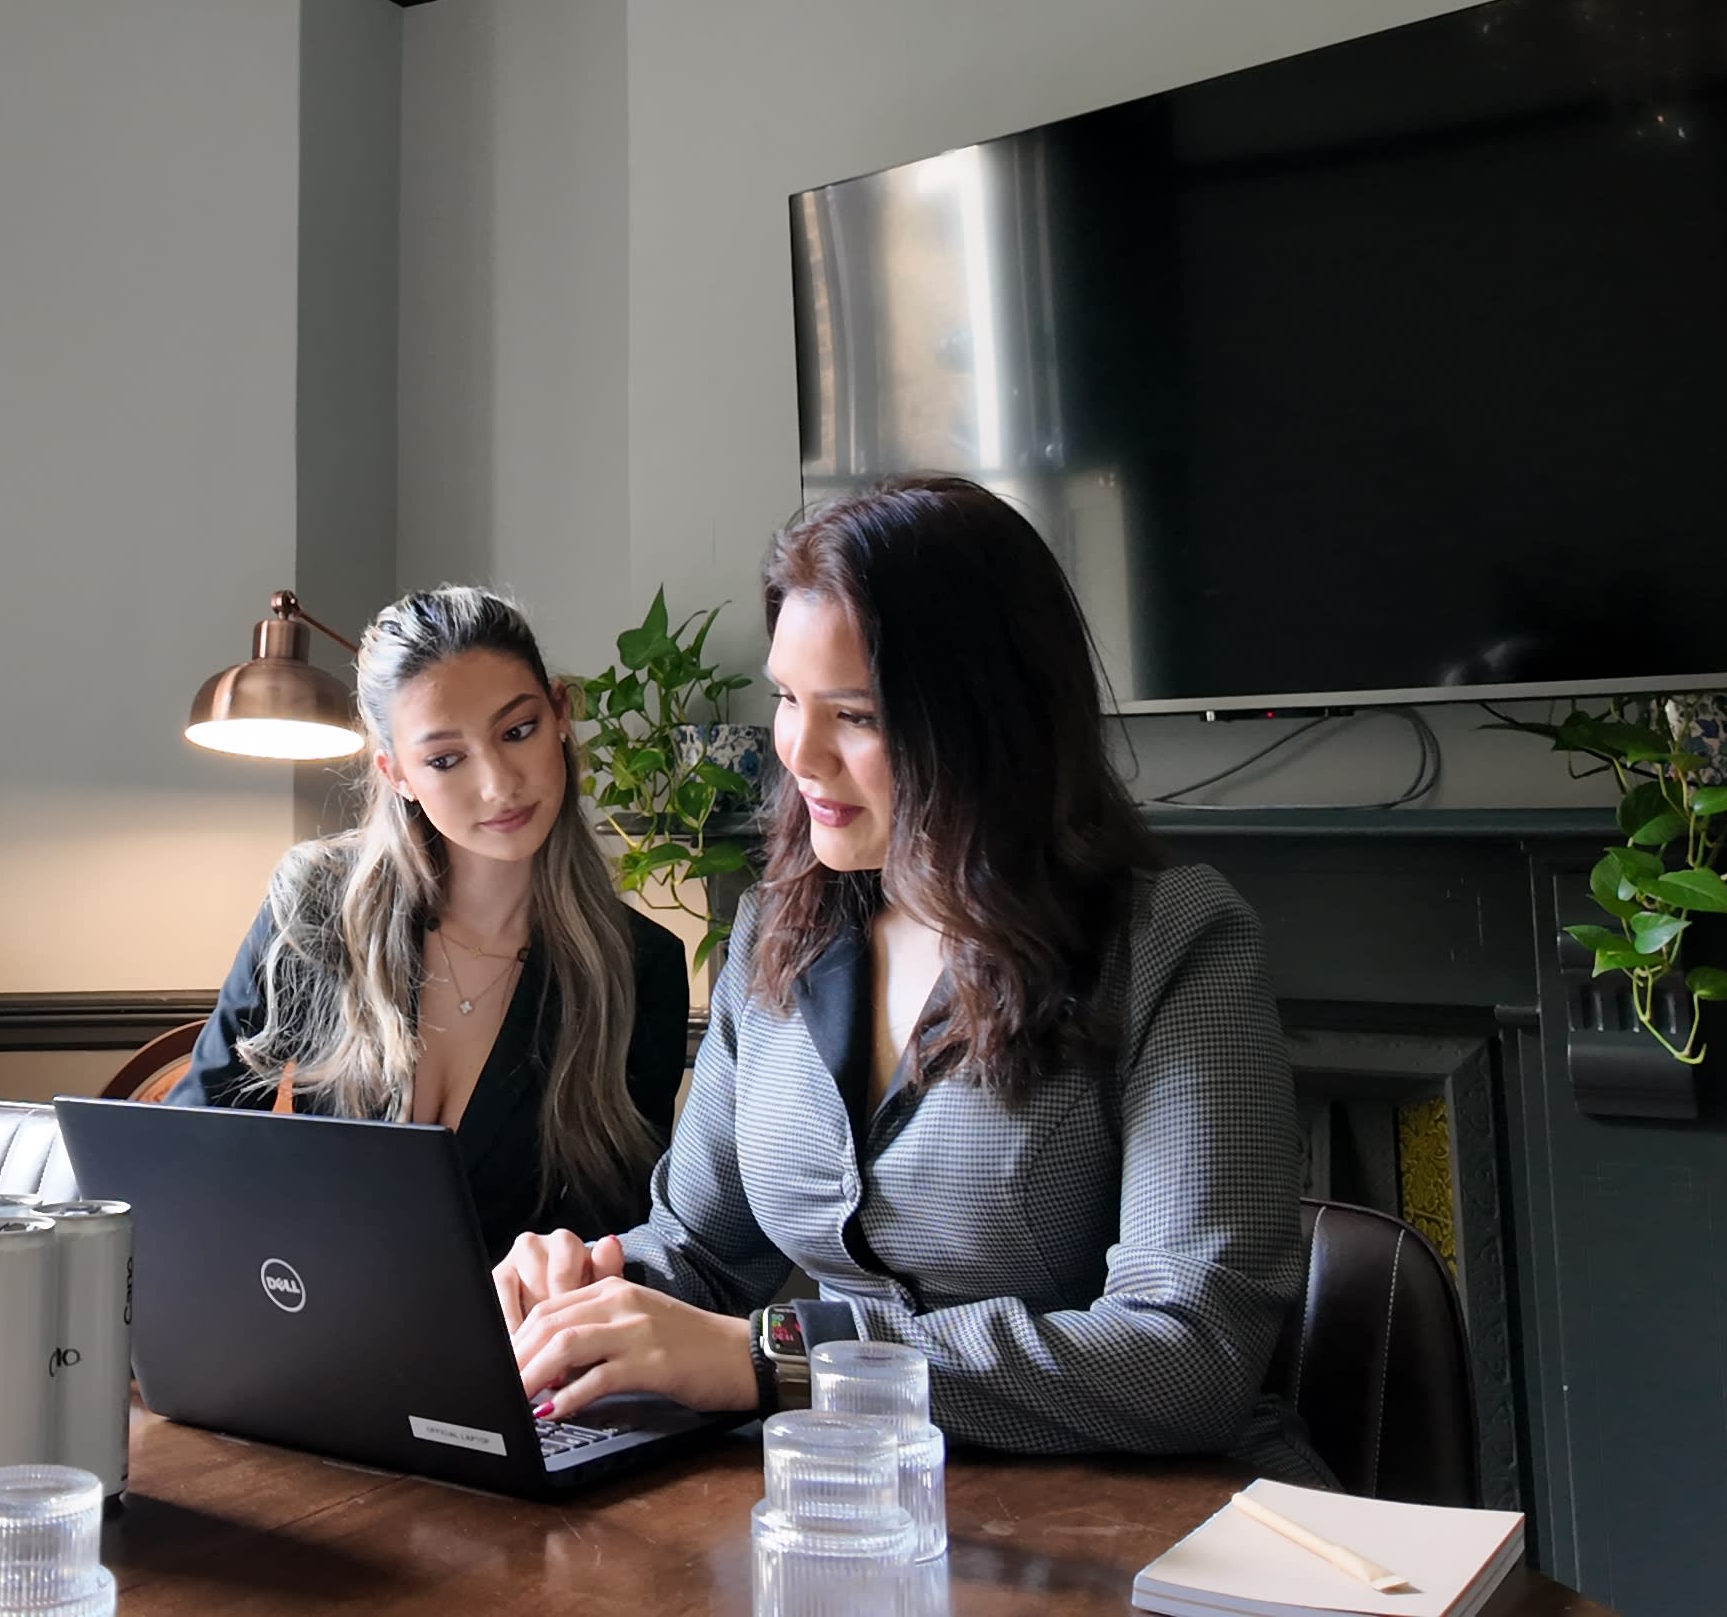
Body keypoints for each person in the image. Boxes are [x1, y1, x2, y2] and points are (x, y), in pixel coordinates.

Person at [492, 479, 1322, 1480]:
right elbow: (702, 1256)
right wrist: (580, 1286)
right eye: (788, 698)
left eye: (855, 714)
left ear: (984, 723)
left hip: (1138, 1520)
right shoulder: (773, 930)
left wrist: (785, 1364)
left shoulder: (1173, 942)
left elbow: (1191, 1353)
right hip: (854, 1506)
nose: (794, 751)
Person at [173, 586, 691, 1258]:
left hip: (522, 1355)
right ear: (397, 774)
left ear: (562, 714)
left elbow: (621, 1237)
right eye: (446, 760)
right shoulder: (316, 905)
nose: (499, 784)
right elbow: (189, 1148)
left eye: (518, 731)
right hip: (309, 1336)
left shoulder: (638, 966)